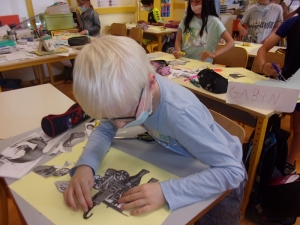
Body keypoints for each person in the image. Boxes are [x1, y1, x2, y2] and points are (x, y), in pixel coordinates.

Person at [63, 35, 247, 225]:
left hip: (220, 179)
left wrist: (166, 192)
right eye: (110, 117)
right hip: (186, 165)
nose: (118, 125)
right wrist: (87, 165)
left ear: (151, 83)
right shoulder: (134, 94)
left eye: (126, 116)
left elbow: (231, 172)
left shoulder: (180, 114)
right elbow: (104, 129)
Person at [256, 15, 300, 174]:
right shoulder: (293, 22)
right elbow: (263, 48)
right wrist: (263, 65)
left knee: (298, 127)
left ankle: (289, 163)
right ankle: (267, 159)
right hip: (287, 82)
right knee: (269, 119)